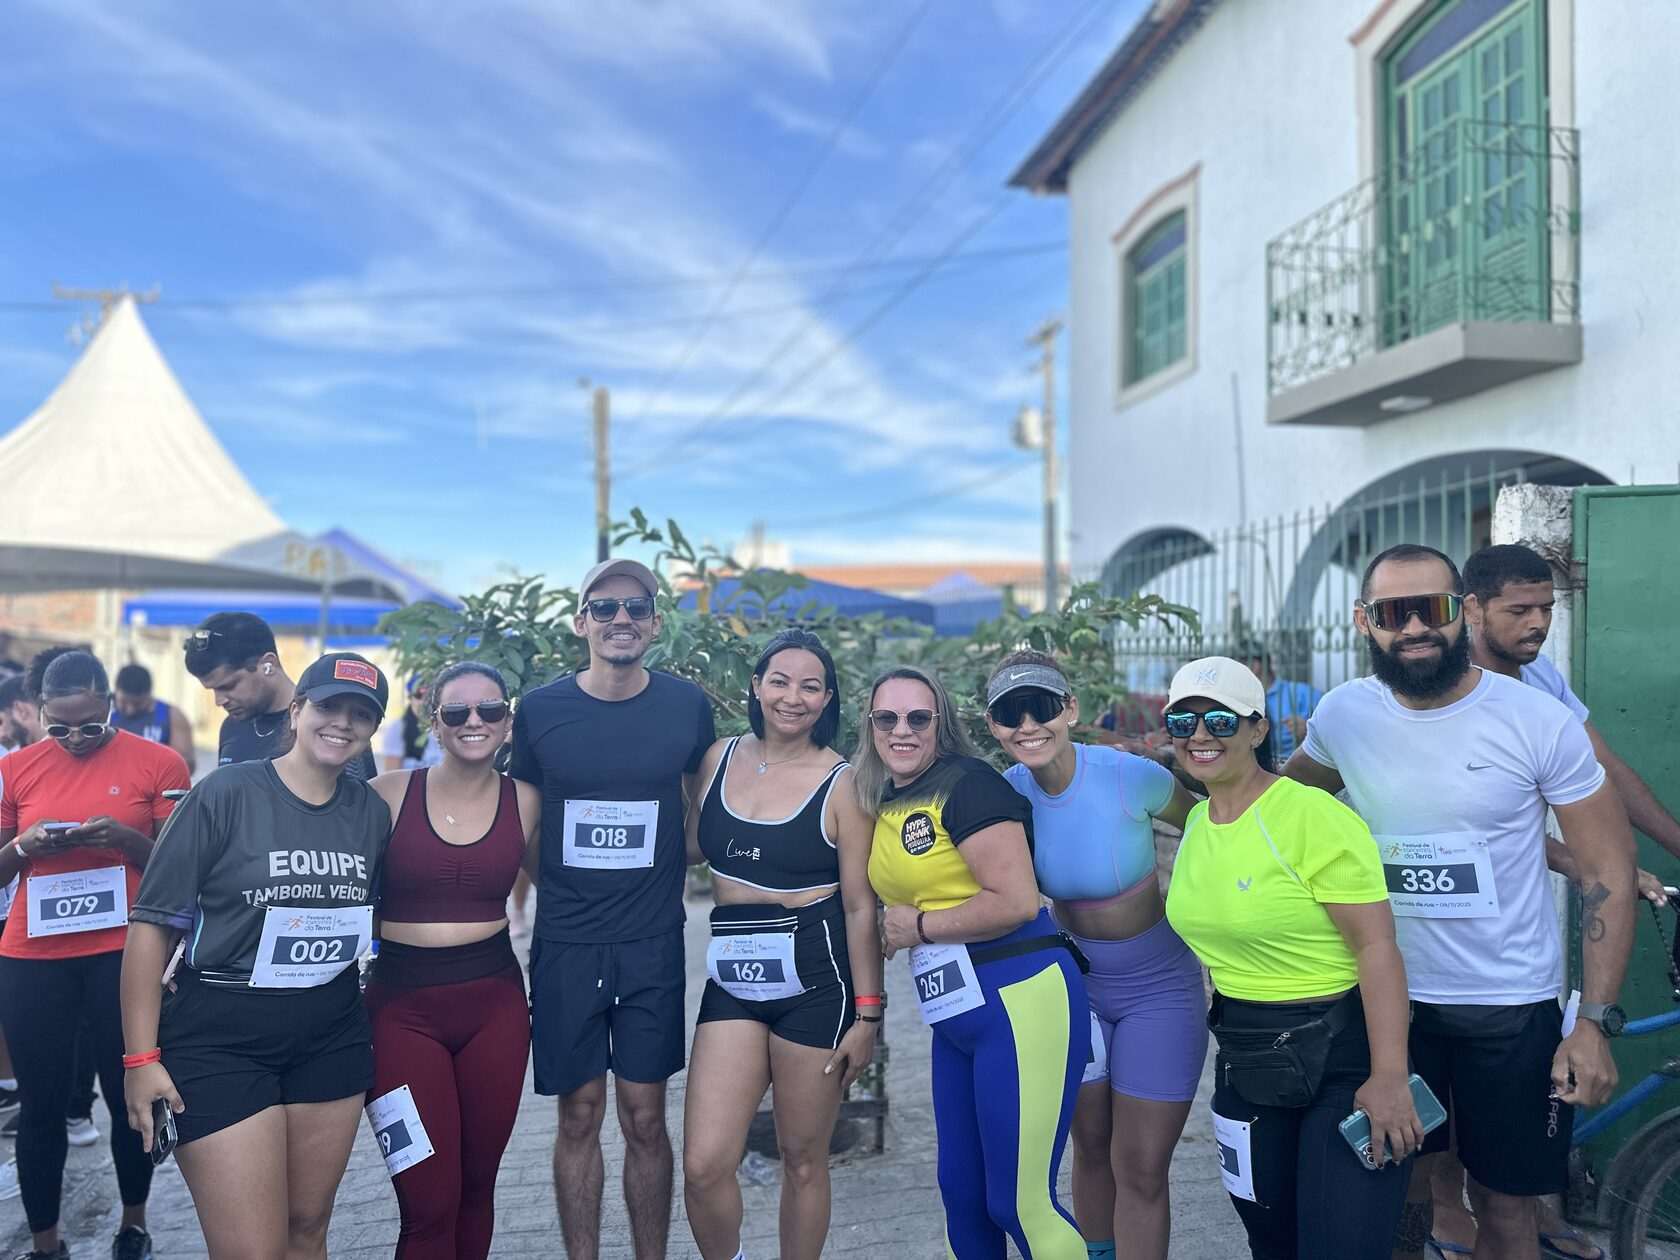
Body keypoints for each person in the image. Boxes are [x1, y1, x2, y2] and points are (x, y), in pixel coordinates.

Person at [1284, 544, 1637, 1260]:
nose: (1414, 627)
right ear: (1364, 622)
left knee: (1507, 1209)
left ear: (1465, 612)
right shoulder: (1343, 715)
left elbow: (1608, 866)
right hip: (1391, 1010)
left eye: (1433, 609)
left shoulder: (1537, 721)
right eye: (1392, 612)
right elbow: (1281, 808)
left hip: (1509, 1012)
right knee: (1400, 1193)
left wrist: (1593, 1023)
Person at [1414, 541, 1680, 1260]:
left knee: (1511, 1121)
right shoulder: (1438, 686)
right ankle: (1445, 1214)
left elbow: (1603, 767)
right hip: (1434, 942)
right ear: (1472, 611)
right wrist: (1580, 860)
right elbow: (1454, 829)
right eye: (1520, 610)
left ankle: (1526, 1214)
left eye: (1546, 609)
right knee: (1437, 1109)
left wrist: (1668, 847)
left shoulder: (1541, 680)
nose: (1538, 624)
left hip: (1518, 945)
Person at [121, 652, 392, 1260]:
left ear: (374, 727)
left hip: (331, 1032)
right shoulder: (225, 792)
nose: (342, 723)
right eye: (328, 706)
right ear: (297, 710)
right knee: (252, 1250)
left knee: (305, 1232)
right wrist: (139, 1058)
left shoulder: (371, 814)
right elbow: (149, 928)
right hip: (221, 1036)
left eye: (361, 713)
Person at [1160, 656, 1419, 1259]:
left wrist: (1388, 1078)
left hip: (1343, 1061)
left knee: (1341, 1248)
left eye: (1221, 720)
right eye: (1184, 720)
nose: (1200, 735)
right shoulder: (1198, 820)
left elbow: (1377, 946)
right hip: (1249, 1062)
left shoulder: (1310, 815)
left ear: (1258, 729)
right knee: (1271, 1244)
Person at [509, 558, 715, 1260]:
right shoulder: (538, 711)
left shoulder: (686, 706)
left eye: (635, 607)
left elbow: (701, 814)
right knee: (578, 1116)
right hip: (567, 943)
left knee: (647, 1119)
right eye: (604, 607)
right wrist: (556, 887)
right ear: (581, 623)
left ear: (656, 623)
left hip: (653, 942)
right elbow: (521, 829)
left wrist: (666, 864)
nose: (620, 618)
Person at [862, 664, 1088, 1260]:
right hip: (955, 1012)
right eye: (887, 717)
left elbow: (1014, 901)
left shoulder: (967, 783)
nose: (902, 730)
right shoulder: (881, 791)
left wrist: (917, 926)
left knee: (1020, 1201)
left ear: (942, 722)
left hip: (1021, 996)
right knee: (962, 1196)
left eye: (918, 717)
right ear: (870, 725)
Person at [985, 651, 1201, 1260]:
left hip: (1158, 987)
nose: (1028, 726)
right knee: (1091, 1144)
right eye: (1009, 714)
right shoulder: (1007, 794)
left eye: (1042, 708)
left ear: (1070, 709)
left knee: (1141, 1164)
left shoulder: (1130, 775)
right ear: (993, 725)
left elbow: (1216, 829)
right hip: (1073, 988)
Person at [682, 629, 882, 1260]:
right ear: (755, 686)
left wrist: (869, 1014)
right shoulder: (717, 759)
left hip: (818, 988)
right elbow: (687, 844)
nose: (792, 697)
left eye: (811, 685)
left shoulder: (844, 784)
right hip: (733, 983)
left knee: (802, 1159)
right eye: (779, 680)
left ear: (828, 700)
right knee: (705, 1164)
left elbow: (859, 905)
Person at [0, 650, 190, 1260]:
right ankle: (45, 1243)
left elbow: (180, 866)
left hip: (124, 951)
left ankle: (133, 1226)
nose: (76, 738)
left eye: (91, 723)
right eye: (59, 727)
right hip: (34, 955)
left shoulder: (158, 760)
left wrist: (126, 839)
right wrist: (24, 848)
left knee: (129, 1093)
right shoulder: (17, 769)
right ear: (37, 717)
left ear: (111, 702)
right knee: (42, 1104)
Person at [365, 661, 539, 1259]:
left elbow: (567, 894)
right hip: (398, 1015)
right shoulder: (385, 795)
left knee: (476, 1189)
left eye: (490, 710)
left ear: (507, 723)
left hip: (496, 1009)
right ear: (433, 722)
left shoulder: (528, 802)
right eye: (457, 712)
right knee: (426, 1203)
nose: (474, 722)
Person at [182, 611, 377, 780]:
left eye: (229, 685)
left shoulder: (325, 727)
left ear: (268, 664)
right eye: (213, 690)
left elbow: (362, 810)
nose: (219, 701)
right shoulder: (231, 726)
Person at [1241, 648, 1323, 766]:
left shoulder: (1301, 693)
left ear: (1254, 666)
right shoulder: (1240, 700)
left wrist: (1310, 731)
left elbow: (1334, 732)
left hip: (1300, 769)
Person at [111, 664, 197, 776]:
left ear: (150, 694)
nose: (131, 709)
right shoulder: (104, 712)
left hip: (154, 785)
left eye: (137, 704)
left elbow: (186, 764)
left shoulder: (172, 716)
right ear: (116, 691)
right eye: (124, 702)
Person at [378, 676, 443, 774]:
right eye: (419, 695)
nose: (424, 701)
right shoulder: (398, 729)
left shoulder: (446, 727)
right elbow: (391, 777)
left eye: (429, 696)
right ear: (410, 699)